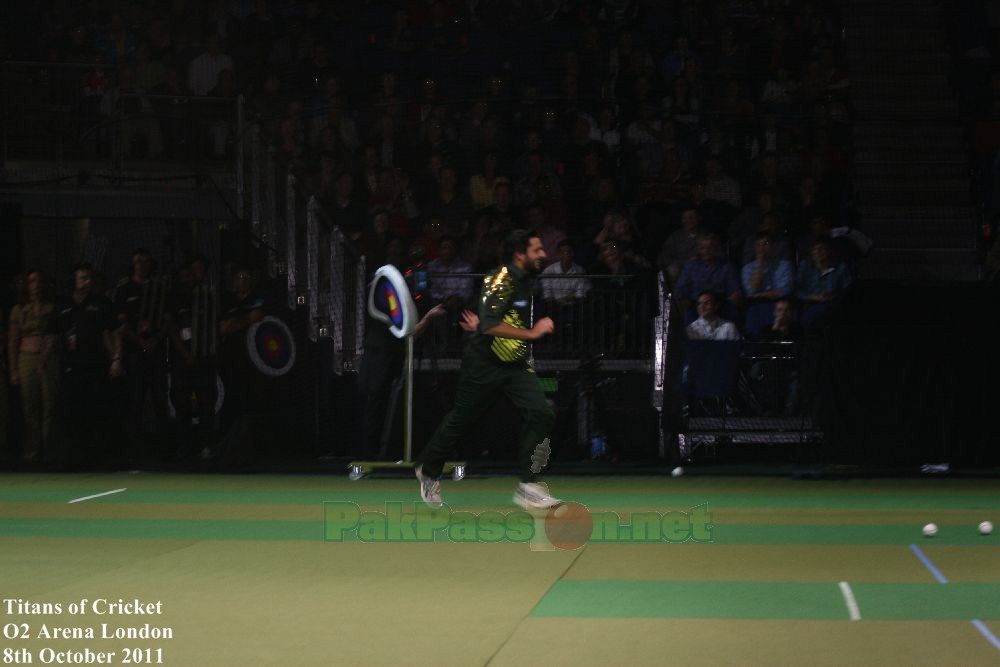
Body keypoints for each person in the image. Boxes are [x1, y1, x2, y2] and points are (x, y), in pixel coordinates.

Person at [414, 229, 561, 510]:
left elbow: (487, 320)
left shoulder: (526, 280)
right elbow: (490, 323)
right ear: (520, 254)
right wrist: (532, 333)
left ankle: (528, 485)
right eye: (537, 250)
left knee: (542, 412)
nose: (544, 254)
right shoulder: (501, 278)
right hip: (484, 364)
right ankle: (429, 469)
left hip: (515, 365)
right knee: (461, 421)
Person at [8, 270, 59, 463]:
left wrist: (45, 356)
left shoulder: (51, 307)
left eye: (38, 281)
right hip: (26, 358)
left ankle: (49, 449)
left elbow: (55, 334)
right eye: (31, 281)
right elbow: (13, 340)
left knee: (49, 405)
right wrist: (13, 369)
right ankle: (32, 450)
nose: (35, 285)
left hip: (49, 358)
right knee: (29, 405)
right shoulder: (18, 309)